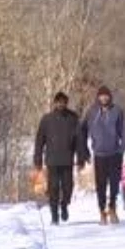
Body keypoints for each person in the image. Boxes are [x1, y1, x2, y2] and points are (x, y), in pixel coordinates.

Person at [79, 85, 125, 224]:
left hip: (114, 154)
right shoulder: (92, 112)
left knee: (114, 184)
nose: (104, 98)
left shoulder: (117, 111)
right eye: (101, 95)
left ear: (110, 97)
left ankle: (112, 208)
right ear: (98, 97)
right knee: (100, 185)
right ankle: (102, 211)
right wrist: (85, 151)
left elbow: (124, 131)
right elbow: (82, 132)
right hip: (99, 155)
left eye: (106, 95)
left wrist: (122, 148)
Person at [33, 91, 82, 225]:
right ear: (55, 103)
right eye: (59, 102)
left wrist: (81, 157)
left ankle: (64, 204)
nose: (61, 104)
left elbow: (80, 140)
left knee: (68, 187)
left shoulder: (73, 118)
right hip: (52, 161)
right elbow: (39, 140)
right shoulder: (47, 119)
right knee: (53, 189)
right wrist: (38, 159)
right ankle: (54, 215)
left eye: (64, 102)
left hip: (67, 160)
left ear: (66, 103)